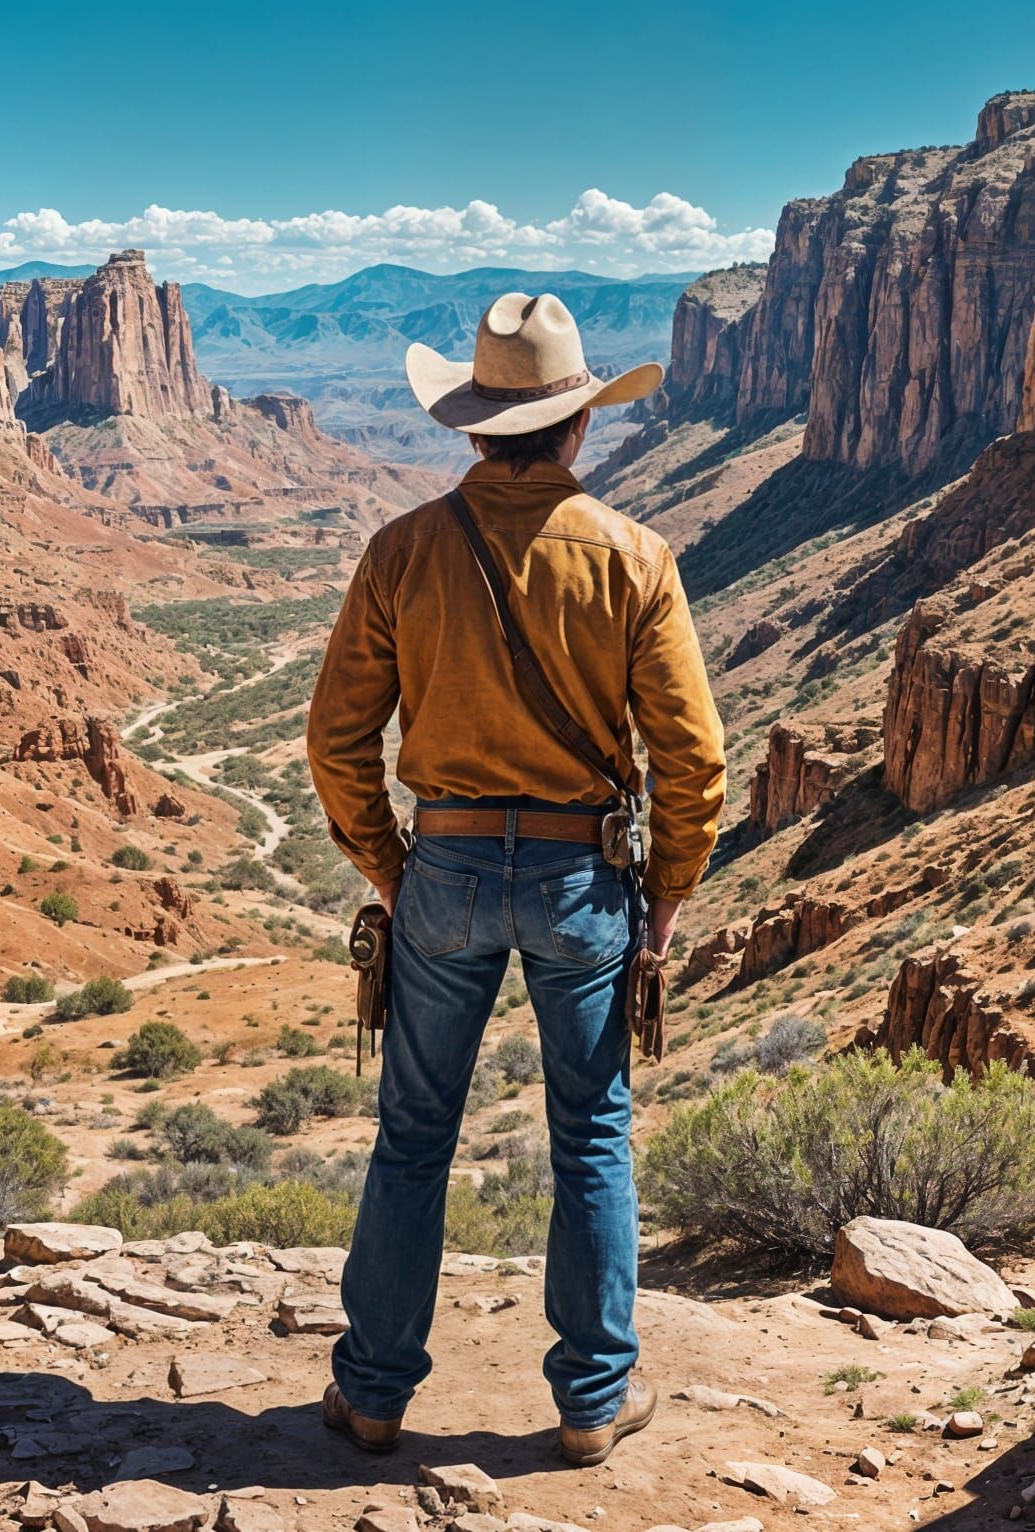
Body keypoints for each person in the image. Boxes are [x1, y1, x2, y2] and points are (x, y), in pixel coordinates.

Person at [306, 291, 726, 1466]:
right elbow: (693, 759)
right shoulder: (636, 559)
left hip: (440, 866)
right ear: (578, 427)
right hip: (581, 879)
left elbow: (337, 742)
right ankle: (593, 1400)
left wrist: (391, 868)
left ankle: (375, 1391)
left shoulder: (401, 551)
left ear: (472, 428)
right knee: (591, 1131)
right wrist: (669, 896)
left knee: (412, 1135)